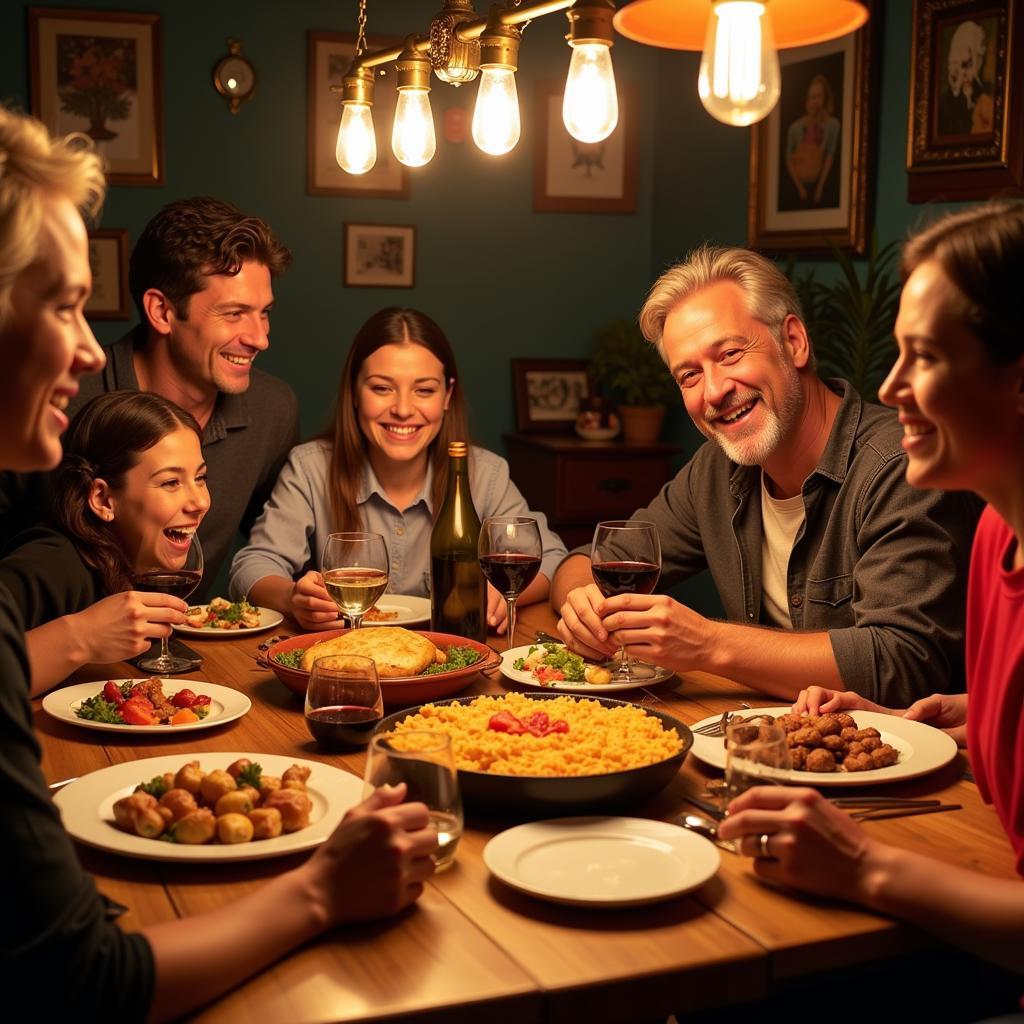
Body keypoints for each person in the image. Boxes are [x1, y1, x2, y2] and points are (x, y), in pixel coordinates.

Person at [0, 105, 435, 1019]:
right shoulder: (58, 454)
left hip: (188, 696)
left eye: (265, 313)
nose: (82, 349)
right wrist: (322, 894)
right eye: (62, 305)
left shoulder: (270, 412)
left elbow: (250, 557)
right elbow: (81, 980)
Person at [718, 200, 1024, 979]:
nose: (889, 389)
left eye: (923, 356)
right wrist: (966, 726)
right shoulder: (998, 534)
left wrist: (863, 867)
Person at [552, 245, 981, 706]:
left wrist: (708, 644)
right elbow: (584, 562)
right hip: (772, 743)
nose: (715, 391)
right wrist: (583, 603)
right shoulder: (716, 469)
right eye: (689, 375)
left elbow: (905, 660)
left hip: (911, 762)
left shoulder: (900, 466)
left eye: (731, 353)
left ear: (793, 342)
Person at [0, 194, 300, 596]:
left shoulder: (272, 410)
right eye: (234, 314)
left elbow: (273, 547)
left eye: (264, 312)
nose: (260, 338)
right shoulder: (56, 399)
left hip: (183, 646)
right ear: (161, 311)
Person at [230, 307, 567, 631]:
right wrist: (292, 598)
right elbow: (252, 565)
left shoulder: (485, 474)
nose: (404, 409)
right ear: (354, 392)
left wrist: (503, 593)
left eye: (424, 390)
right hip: (348, 659)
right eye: (381, 388)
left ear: (447, 395)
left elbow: (551, 557)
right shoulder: (310, 467)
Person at [0, 391, 208, 694]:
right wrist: (80, 638)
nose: (200, 501)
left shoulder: (133, 562)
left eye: (200, 477)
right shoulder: (50, 564)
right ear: (103, 499)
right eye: (171, 482)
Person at [785, 74, 840, 207]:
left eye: (818, 97)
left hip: (819, 183)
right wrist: (800, 188)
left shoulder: (832, 125)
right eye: (811, 97)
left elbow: (829, 156)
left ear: (825, 99)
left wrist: (819, 188)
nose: (814, 102)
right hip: (799, 184)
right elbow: (789, 159)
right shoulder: (795, 128)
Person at [938, 19, 993, 137]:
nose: (959, 73)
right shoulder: (942, 107)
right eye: (953, 64)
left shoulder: (990, 99)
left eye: (965, 64)